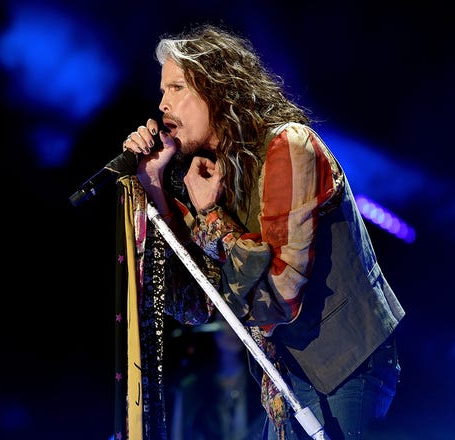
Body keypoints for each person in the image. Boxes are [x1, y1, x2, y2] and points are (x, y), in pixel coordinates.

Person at [119, 23, 405, 440]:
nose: (162, 104)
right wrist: (153, 186)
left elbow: (281, 294)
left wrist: (211, 215)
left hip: (349, 365)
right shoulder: (211, 175)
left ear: (217, 88)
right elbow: (199, 303)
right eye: (163, 90)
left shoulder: (290, 146)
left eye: (176, 87)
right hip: (287, 380)